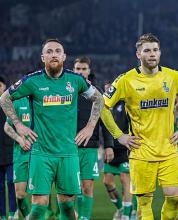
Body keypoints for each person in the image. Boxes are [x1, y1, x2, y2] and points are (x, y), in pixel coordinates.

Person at [0, 39, 104, 220]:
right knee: (39, 206)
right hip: (41, 154)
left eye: (57, 51)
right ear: (43, 57)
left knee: (67, 206)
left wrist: (90, 127)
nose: (53, 54)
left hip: (68, 153)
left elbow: (99, 99)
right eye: (49, 51)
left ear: (64, 57)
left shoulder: (75, 80)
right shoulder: (32, 81)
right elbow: (4, 98)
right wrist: (18, 125)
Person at [100, 33, 178, 219]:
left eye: (155, 50)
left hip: (168, 149)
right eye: (147, 50)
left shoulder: (173, 76)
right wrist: (120, 136)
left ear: (160, 53)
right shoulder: (125, 80)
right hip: (141, 152)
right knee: (144, 205)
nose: (152, 54)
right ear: (138, 54)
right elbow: (102, 106)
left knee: (175, 199)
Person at [73, 56, 104, 220]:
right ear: (73, 70)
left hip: (90, 146)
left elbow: (105, 121)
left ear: (89, 71)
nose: (80, 72)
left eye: (84, 69)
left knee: (87, 186)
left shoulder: (97, 93)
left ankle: (84, 218)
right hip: (69, 146)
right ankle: (75, 215)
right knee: (72, 187)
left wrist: (109, 146)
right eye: (78, 69)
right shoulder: (67, 90)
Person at [103, 81, 133, 220]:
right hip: (111, 148)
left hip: (124, 148)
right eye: (106, 90)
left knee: (125, 178)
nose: (108, 93)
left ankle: (127, 215)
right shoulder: (105, 107)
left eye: (110, 90)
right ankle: (121, 208)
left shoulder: (125, 105)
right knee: (107, 181)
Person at [4, 95, 31, 220]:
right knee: (19, 194)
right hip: (21, 154)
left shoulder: (45, 100)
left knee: (41, 194)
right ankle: (28, 215)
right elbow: (7, 126)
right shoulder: (18, 103)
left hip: (41, 153)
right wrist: (20, 139)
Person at [0, 76, 17, 220]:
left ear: (4, 87)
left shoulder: (11, 104)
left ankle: (13, 212)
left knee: (12, 182)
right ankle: (2, 215)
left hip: (11, 151)